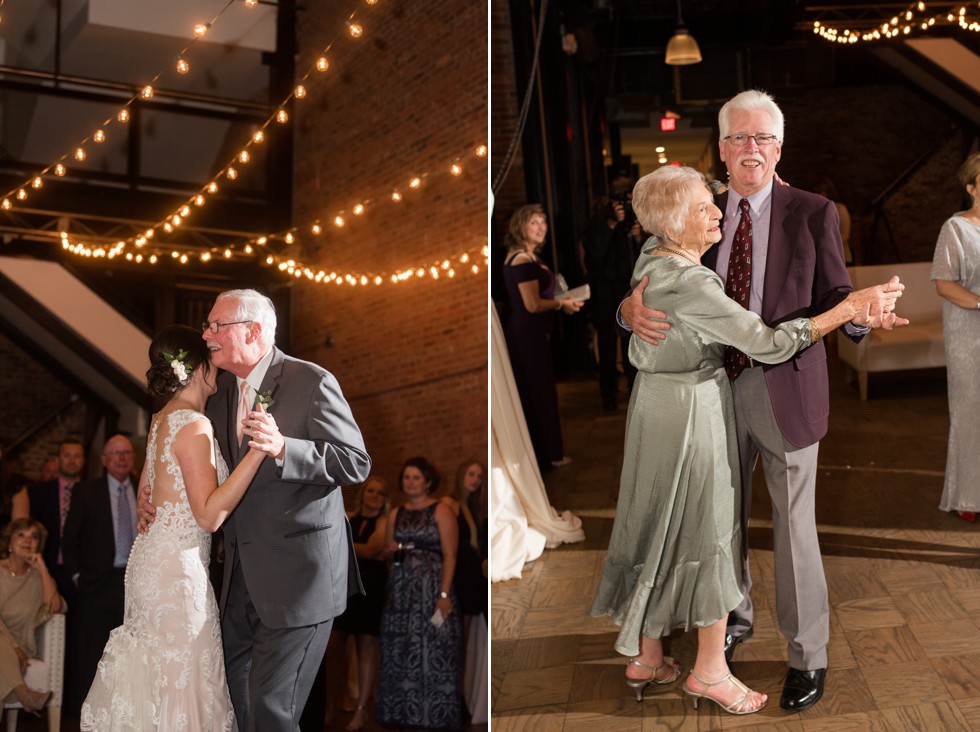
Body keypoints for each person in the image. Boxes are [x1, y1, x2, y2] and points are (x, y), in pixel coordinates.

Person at [618, 90, 906, 713]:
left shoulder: (813, 211)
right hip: (710, 395)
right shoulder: (701, 211)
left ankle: (807, 655)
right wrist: (625, 310)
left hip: (786, 393)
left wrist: (862, 318)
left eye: (763, 138)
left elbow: (837, 290)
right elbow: (654, 281)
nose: (752, 149)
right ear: (721, 149)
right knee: (718, 522)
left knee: (795, 530)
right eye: (739, 138)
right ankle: (729, 624)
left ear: (780, 147)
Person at [140, 289, 371, 732]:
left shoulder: (311, 381)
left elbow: (356, 462)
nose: (206, 335)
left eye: (215, 326)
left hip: (298, 578)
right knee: (227, 699)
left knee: (272, 707)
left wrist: (286, 447)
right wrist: (146, 482)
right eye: (208, 326)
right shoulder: (219, 389)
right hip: (235, 582)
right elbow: (173, 436)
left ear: (254, 331)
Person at [79, 324, 274, 730]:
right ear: (200, 368)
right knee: (185, 682)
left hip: (150, 564)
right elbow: (209, 515)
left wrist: (147, 501)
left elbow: (148, 491)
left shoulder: (160, 421)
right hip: (176, 575)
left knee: (160, 678)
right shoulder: (193, 423)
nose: (217, 369)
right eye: (212, 360)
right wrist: (257, 453)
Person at [376, 457, 461, 731]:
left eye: (415, 477)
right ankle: (402, 712)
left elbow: (450, 555)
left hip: (431, 588)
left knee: (434, 648)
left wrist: (445, 594)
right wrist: (389, 554)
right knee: (400, 648)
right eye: (406, 477)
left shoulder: (441, 510)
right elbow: (388, 553)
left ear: (427, 481)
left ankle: (434, 714)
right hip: (401, 591)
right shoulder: (395, 513)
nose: (409, 482)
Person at [501, 204, 583, 469]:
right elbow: (532, 305)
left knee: (543, 390)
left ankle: (547, 452)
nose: (541, 227)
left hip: (536, 332)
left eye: (543, 222)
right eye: (534, 222)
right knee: (539, 393)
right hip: (527, 334)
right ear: (520, 227)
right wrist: (562, 304)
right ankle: (548, 455)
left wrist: (564, 300)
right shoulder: (521, 260)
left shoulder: (531, 256)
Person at [61, 433, 137, 716]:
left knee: (129, 652)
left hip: (134, 583)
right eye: (115, 453)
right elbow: (70, 540)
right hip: (96, 584)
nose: (121, 458)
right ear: (104, 460)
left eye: (126, 453)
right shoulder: (86, 491)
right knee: (92, 652)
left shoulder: (146, 487)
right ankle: (90, 715)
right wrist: (78, 575)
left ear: (133, 458)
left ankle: (122, 713)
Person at [933, 152, 980, 523]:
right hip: (969, 334)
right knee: (970, 414)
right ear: (971, 188)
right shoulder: (956, 228)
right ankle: (969, 495)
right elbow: (944, 284)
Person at [324, 476, 389, 731]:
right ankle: (331, 705)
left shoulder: (385, 522)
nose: (374, 495)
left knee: (366, 648)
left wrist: (346, 545)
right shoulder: (349, 515)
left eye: (379, 493)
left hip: (371, 589)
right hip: (345, 587)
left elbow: (373, 549)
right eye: (370, 490)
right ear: (363, 493)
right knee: (334, 649)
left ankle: (361, 710)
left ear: (385, 499)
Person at [584, 177, 644, 410]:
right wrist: (611, 224)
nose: (628, 201)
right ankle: (607, 395)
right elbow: (594, 253)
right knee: (608, 346)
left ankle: (633, 389)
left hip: (627, 288)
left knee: (631, 342)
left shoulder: (632, 218)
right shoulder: (601, 217)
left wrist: (638, 236)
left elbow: (640, 257)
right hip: (605, 292)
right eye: (625, 196)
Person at [0, 518, 65, 716]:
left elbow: (54, 606)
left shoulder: (37, 578)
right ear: (9, 542)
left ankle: (22, 693)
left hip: (21, 645)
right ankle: (25, 695)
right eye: (21, 535)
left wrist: (42, 568)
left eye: (34, 537)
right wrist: (14, 648)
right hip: (11, 647)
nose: (27, 541)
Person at [442, 459, 488, 724]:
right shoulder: (450, 504)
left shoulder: (474, 507)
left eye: (479, 476)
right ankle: (454, 700)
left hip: (472, 581)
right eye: (471, 474)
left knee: (465, 643)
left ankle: (462, 697)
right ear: (461, 475)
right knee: (456, 643)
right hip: (459, 581)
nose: (475, 480)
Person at [813, 179, 852, 265]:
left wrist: (829, 246)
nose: (820, 195)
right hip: (823, 258)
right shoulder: (816, 211)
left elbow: (845, 234)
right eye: (818, 192)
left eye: (823, 192)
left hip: (841, 256)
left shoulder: (841, 208)